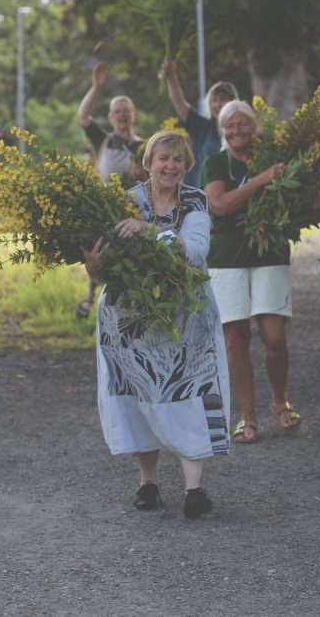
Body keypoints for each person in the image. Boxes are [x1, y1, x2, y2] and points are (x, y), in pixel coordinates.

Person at [84, 131, 231, 519]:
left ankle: (193, 490)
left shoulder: (195, 200)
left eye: (178, 159)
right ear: (147, 162)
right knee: (137, 395)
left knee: (190, 393)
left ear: (187, 164)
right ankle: (147, 481)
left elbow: (196, 250)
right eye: (163, 158)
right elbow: (105, 265)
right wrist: (93, 265)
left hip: (185, 317)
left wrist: (152, 231)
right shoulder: (123, 201)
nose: (170, 166)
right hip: (129, 319)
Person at [203, 100, 303, 444]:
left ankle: (279, 399)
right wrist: (262, 180)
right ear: (221, 131)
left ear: (255, 125)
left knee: (274, 337)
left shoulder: (274, 156)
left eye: (242, 123)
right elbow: (218, 204)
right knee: (235, 338)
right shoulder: (215, 162)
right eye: (228, 126)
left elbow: (294, 200)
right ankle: (247, 417)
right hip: (226, 259)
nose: (235, 131)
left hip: (270, 254)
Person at [75, 61, 148, 319]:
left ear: (133, 115)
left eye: (126, 111)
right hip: (104, 208)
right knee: (100, 255)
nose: (122, 115)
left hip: (135, 213)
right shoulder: (103, 140)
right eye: (117, 111)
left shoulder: (144, 146)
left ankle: (131, 310)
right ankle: (96, 300)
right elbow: (83, 116)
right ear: (110, 117)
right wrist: (96, 87)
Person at [162, 55, 238, 188]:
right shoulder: (202, 127)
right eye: (214, 101)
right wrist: (171, 75)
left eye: (222, 99)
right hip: (197, 197)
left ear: (232, 102)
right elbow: (179, 104)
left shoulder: (240, 131)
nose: (218, 105)